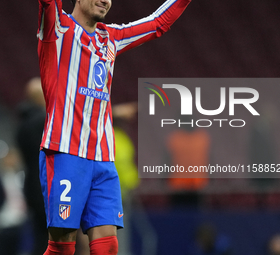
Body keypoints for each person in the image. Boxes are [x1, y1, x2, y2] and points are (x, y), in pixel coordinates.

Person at [37, 0, 191, 254]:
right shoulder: (58, 27)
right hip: (65, 153)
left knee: (108, 246)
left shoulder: (111, 37)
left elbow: (158, 23)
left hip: (103, 159)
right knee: (63, 247)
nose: (105, 1)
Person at [16, 77, 48, 254]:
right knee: (54, 238)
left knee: (41, 236)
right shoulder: (43, 120)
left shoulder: (23, 123)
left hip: (32, 185)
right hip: (46, 186)